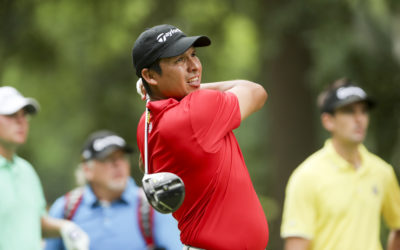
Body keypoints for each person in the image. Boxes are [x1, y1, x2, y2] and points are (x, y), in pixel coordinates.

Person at [132, 24, 269, 249]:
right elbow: (256, 91)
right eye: (179, 60)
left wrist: (175, 87)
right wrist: (196, 87)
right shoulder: (196, 111)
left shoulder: (146, 121)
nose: (194, 66)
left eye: (193, 55)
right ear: (149, 75)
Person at [281, 78, 400, 250]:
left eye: (364, 111)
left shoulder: (382, 172)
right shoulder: (307, 176)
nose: (359, 119)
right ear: (328, 121)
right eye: (349, 111)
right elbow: (296, 246)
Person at [44, 130, 183, 250]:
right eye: (108, 159)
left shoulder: (153, 204)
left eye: (121, 157)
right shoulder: (65, 208)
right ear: (87, 170)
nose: (118, 164)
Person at [0, 86, 89, 250]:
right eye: (12, 115)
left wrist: (65, 228)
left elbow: (35, 222)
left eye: (24, 115)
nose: (21, 121)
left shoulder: (26, 171)